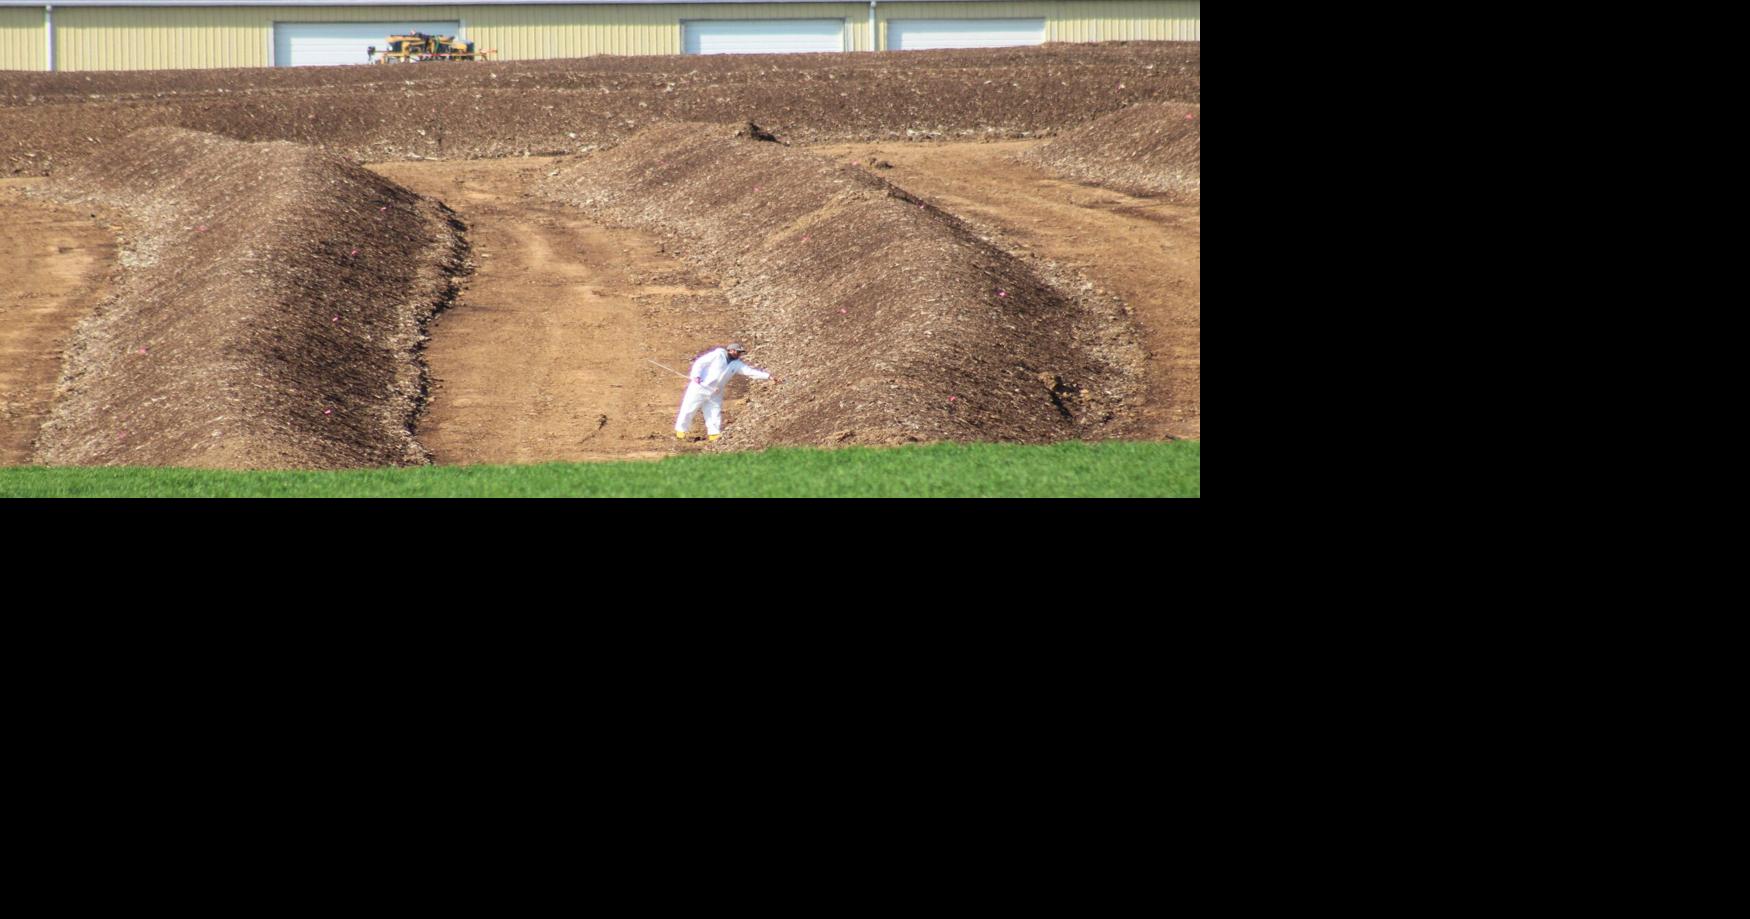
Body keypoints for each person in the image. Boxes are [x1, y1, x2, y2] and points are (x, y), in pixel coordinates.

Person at [674, 343, 782, 442]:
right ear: (731, 350)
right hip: (700, 387)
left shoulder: (736, 364)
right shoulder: (717, 355)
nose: (739, 354)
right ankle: (681, 432)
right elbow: (700, 363)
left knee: (714, 412)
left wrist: (768, 376)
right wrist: (696, 375)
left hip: (716, 392)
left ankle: (714, 435)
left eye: (740, 352)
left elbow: (749, 372)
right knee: (689, 409)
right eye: (738, 352)